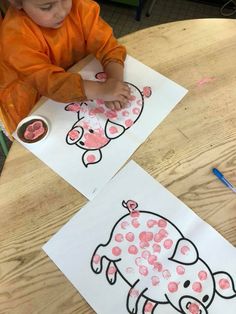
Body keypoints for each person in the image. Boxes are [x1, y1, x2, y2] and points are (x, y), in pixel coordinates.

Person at [0, 0, 131, 136]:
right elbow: (48, 82)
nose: (62, 12)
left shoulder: (79, 6)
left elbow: (107, 45)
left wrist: (115, 85)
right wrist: (101, 89)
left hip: (75, 77)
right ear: (16, 2)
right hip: (33, 97)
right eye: (47, 7)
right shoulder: (15, 37)